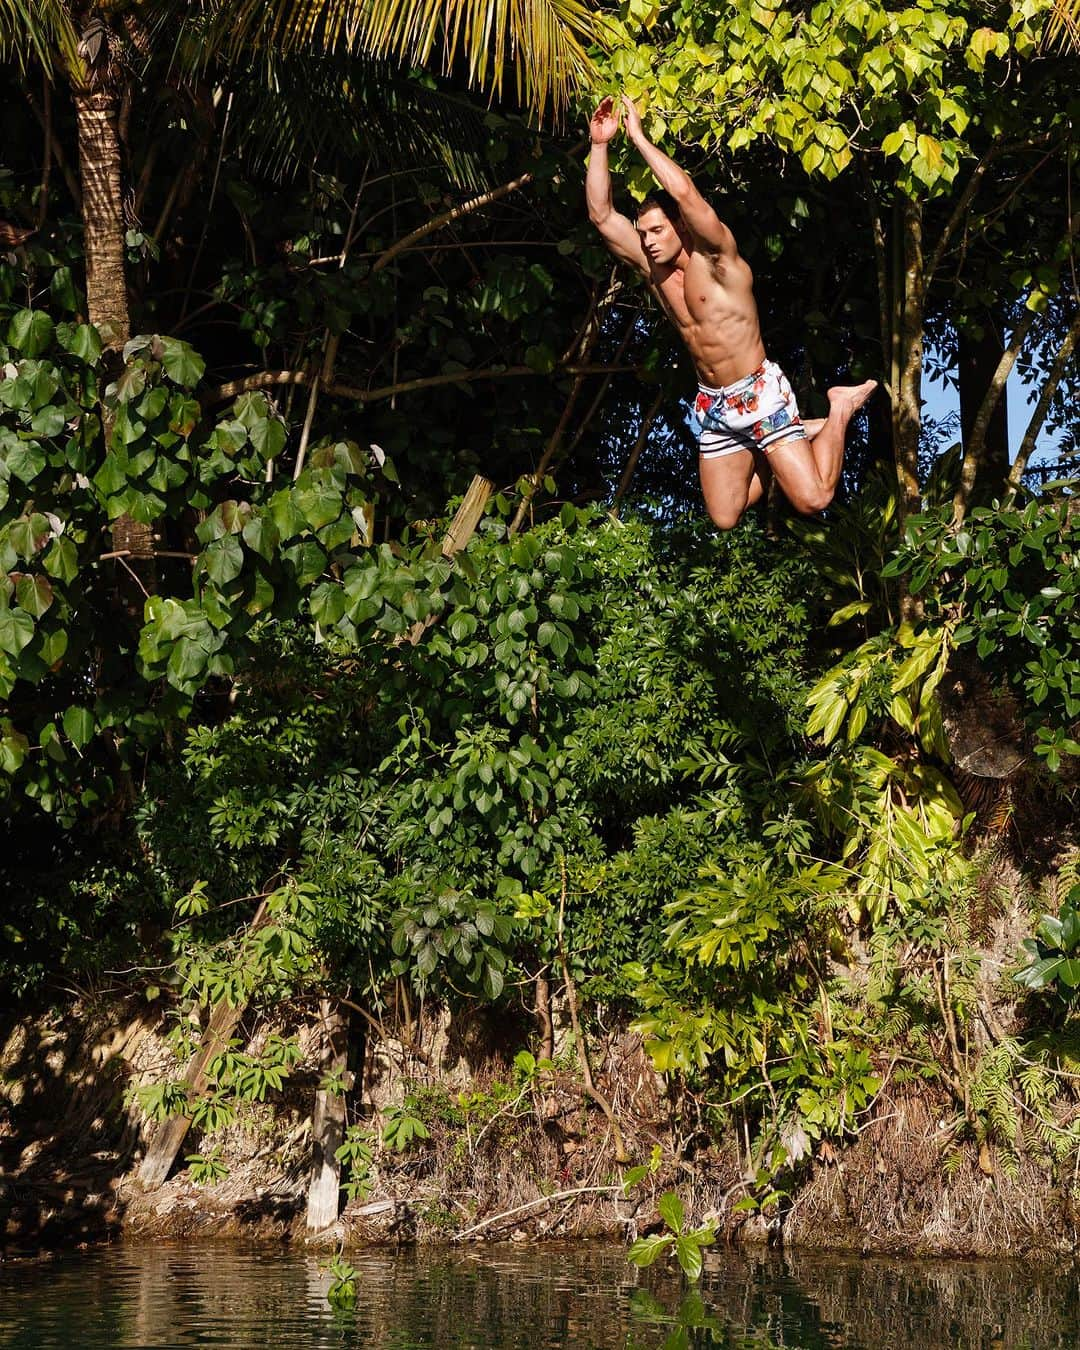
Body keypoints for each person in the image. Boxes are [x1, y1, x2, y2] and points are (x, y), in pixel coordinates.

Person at [586, 95, 877, 529]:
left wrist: (639, 139)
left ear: (681, 227)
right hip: (713, 403)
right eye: (643, 233)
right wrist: (599, 144)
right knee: (725, 516)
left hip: (758, 393)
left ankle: (837, 410)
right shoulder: (654, 269)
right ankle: (786, 438)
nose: (646, 241)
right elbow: (603, 216)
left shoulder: (719, 259)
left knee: (814, 498)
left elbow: (684, 192)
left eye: (657, 231)